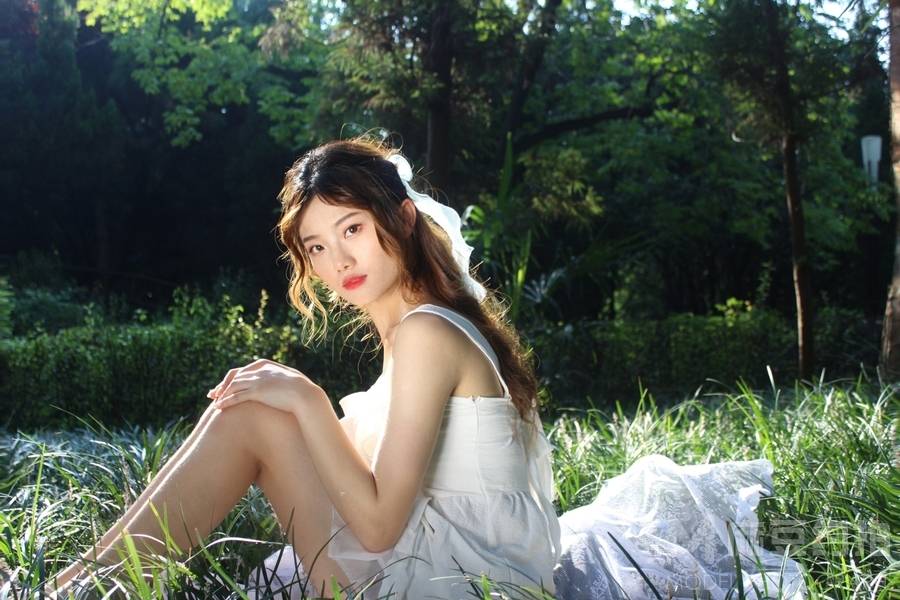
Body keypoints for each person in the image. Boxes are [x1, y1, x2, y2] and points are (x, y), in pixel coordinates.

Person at [46, 135, 807, 600]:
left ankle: (75, 591)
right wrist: (293, 406)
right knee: (254, 406)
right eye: (317, 245)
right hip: (432, 563)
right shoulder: (419, 331)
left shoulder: (426, 333)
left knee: (259, 411)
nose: (337, 259)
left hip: (449, 584)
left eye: (352, 228)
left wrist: (305, 399)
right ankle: (76, 586)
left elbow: (379, 526)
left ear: (401, 218)